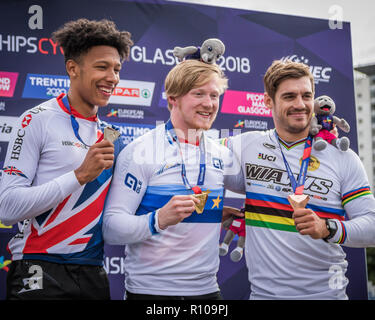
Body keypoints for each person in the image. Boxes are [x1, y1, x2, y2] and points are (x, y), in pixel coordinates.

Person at [0, 18, 133, 300]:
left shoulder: (113, 137)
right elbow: (7, 207)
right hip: (38, 267)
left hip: (92, 270)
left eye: (117, 69)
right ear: (73, 68)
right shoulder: (36, 120)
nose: (113, 77)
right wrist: (79, 175)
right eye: (102, 67)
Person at [224, 59, 375, 299]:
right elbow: (194, 159)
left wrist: (328, 228)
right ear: (267, 101)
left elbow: (372, 227)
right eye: (289, 96)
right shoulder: (245, 146)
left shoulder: (343, 157)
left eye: (306, 96)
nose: (300, 105)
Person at [103, 59, 242, 300]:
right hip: (150, 294)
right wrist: (158, 219)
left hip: (207, 293)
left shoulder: (221, 154)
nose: (209, 104)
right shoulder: (141, 150)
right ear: (172, 99)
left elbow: (265, 184)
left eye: (214, 95)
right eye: (198, 94)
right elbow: (111, 228)